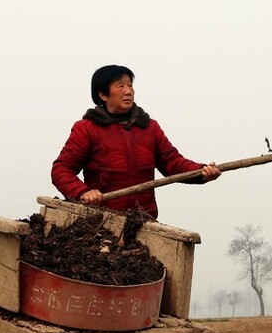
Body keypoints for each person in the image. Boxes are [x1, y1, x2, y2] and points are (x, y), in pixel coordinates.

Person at [51, 64, 221, 218]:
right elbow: (61, 169)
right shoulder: (87, 128)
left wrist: (201, 171)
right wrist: (83, 192)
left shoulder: (149, 127)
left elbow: (172, 163)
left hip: (143, 220)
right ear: (102, 94)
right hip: (102, 220)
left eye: (130, 85)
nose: (128, 91)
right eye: (120, 86)